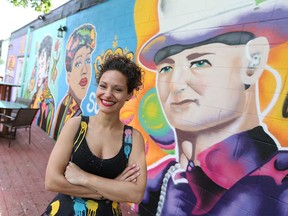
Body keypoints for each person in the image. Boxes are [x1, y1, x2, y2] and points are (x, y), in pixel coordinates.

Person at [138, 0, 288, 215]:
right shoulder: (160, 180)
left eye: (199, 63)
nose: (176, 84)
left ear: (252, 63)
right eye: (166, 68)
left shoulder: (278, 186)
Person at [42, 54, 147, 216]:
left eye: (118, 89)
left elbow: (135, 194)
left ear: (129, 94)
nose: (107, 94)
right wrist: (111, 189)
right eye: (103, 86)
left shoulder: (133, 139)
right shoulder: (76, 126)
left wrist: (84, 177)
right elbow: (52, 181)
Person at [53, 24, 96, 140]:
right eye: (78, 63)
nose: (84, 70)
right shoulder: (72, 114)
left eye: (87, 60)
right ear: (68, 76)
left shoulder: (70, 105)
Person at [30, 35, 55, 134]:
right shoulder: (37, 93)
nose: (39, 71)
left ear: (48, 63)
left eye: (42, 65)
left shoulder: (48, 100)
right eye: (39, 65)